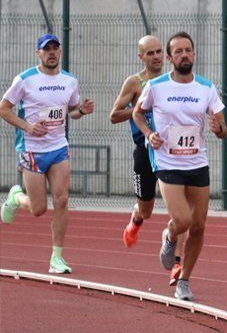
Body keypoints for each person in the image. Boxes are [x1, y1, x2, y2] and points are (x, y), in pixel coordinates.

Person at [132, 31, 227, 301]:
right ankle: (170, 234)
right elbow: (138, 113)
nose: (184, 55)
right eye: (178, 51)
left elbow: (222, 129)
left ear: (194, 54)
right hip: (168, 162)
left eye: (188, 50)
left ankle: (184, 280)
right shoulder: (157, 86)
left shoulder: (206, 88)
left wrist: (218, 127)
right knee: (183, 220)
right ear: (170, 57)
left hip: (197, 162)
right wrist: (149, 133)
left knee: (198, 226)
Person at [0, 34, 95, 273]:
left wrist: (81, 111)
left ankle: (56, 258)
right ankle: (15, 198)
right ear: (38, 54)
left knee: (62, 201)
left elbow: (71, 111)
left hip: (58, 148)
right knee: (38, 209)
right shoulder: (25, 79)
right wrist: (27, 126)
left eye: (55, 48)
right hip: (32, 150)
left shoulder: (69, 81)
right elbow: (4, 108)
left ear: (60, 52)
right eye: (46, 49)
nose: (51, 52)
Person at [109, 35, 185, 282]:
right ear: (140, 56)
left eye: (159, 52)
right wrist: (142, 107)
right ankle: (135, 221)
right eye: (149, 53)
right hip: (144, 152)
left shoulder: (173, 80)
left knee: (181, 209)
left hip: (171, 152)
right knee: (147, 209)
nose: (156, 57)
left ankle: (176, 263)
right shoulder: (135, 82)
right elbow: (114, 115)